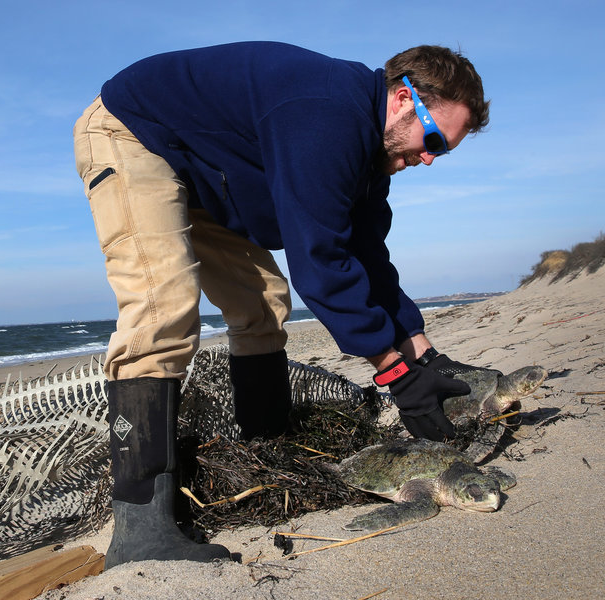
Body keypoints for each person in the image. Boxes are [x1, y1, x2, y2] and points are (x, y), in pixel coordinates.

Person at [73, 41, 490, 568]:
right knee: (163, 308)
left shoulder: (369, 153)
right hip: (130, 133)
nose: (430, 157)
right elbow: (319, 260)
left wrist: (423, 357)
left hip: (196, 167)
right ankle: (140, 530)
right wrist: (394, 375)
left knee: (264, 302)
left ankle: (265, 449)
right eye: (434, 140)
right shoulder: (326, 116)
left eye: (443, 151)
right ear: (403, 98)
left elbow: (367, 258)